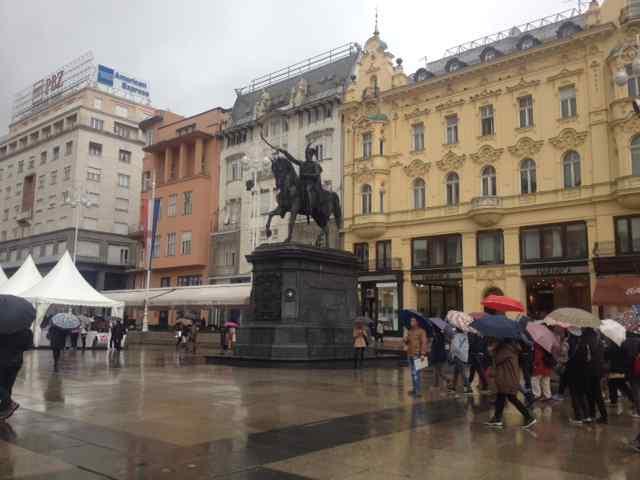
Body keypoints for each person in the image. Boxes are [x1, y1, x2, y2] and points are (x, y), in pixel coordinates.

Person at [485, 339, 536, 429]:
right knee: (501, 397)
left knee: (511, 397)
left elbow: (497, 359)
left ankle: (529, 417)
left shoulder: (505, 349)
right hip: (508, 377)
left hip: (506, 377)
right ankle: (497, 418)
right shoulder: (511, 347)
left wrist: (493, 349)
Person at [0, 329, 32, 421]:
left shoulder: (2, 329)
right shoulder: (26, 331)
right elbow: (28, 346)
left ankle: (8, 403)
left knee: (2, 386)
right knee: (7, 386)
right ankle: (4, 410)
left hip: (2, 360)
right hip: (16, 361)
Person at [604, 338, 634, 410]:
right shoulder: (624, 348)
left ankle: (614, 400)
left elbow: (606, 357)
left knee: (614, 385)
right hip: (622, 370)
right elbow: (628, 358)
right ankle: (632, 399)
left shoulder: (610, 348)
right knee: (621, 385)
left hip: (614, 369)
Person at [405, 317, 428, 397]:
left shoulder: (422, 331)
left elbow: (424, 343)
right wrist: (405, 339)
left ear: (417, 322)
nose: (411, 322)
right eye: (410, 320)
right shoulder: (410, 331)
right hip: (410, 354)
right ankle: (414, 389)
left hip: (417, 355)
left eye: (413, 320)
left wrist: (422, 353)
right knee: (412, 373)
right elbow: (407, 342)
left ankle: (418, 391)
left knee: (417, 373)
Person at [622, 333, 640, 418]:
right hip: (637, 367)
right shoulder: (639, 341)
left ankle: (638, 411)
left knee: (635, 391)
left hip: (632, 370)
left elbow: (623, 357)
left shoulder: (624, 342)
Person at [449, 329, 471, 395]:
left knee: (462, 373)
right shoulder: (465, 336)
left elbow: (454, 347)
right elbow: (467, 346)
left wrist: (452, 353)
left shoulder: (456, 336)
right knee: (456, 372)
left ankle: (469, 388)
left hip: (458, 356)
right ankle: (453, 387)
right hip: (464, 356)